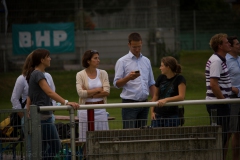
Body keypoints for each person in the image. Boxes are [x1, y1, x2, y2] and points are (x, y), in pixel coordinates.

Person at [26, 48, 79, 160]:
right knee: (56, 146)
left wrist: (28, 111)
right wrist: (66, 102)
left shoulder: (33, 74)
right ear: (42, 60)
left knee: (43, 148)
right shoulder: (38, 74)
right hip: (44, 118)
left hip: (41, 117)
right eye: (48, 57)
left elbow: (30, 96)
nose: (50, 58)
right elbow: (49, 92)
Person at [11, 52, 57, 159]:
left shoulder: (47, 76)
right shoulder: (22, 78)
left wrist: (52, 109)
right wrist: (23, 115)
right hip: (30, 116)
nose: (49, 59)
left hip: (47, 115)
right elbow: (15, 98)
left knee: (45, 146)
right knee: (32, 148)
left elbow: (52, 93)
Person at [113, 32, 155, 129]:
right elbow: (116, 84)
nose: (137, 49)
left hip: (145, 104)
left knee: (143, 134)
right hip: (129, 104)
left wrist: (154, 100)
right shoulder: (122, 61)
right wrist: (128, 78)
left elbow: (151, 83)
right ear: (129, 45)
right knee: (129, 134)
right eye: (134, 47)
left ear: (142, 43)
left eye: (139, 47)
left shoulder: (146, 61)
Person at [205, 33, 232, 160]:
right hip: (217, 104)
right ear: (220, 46)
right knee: (220, 138)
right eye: (226, 42)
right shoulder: (216, 61)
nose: (229, 44)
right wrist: (223, 101)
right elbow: (214, 84)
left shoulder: (220, 60)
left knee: (224, 137)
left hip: (220, 103)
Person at [76, 50, 110, 142]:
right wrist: (98, 89)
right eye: (95, 58)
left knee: (103, 138)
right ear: (88, 61)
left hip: (101, 109)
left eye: (98, 58)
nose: (98, 60)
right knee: (85, 140)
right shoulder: (80, 75)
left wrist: (89, 93)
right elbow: (80, 93)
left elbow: (106, 91)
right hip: (85, 110)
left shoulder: (103, 73)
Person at [150, 56, 186, 127]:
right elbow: (156, 95)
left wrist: (166, 100)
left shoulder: (180, 79)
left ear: (168, 67)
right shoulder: (160, 78)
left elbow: (181, 97)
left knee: (171, 137)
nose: (160, 68)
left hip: (172, 116)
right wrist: (152, 112)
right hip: (158, 115)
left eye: (162, 66)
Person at [226, 36, 240, 160]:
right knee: (229, 131)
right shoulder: (224, 61)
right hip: (232, 99)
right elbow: (219, 80)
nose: (239, 46)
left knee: (238, 133)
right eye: (237, 44)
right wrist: (231, 88)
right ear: (230, 46)